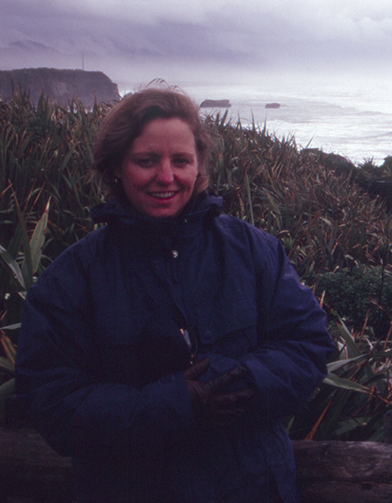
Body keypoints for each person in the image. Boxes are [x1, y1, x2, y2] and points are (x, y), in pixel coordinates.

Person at [15, 86, 335, 503]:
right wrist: (172, 405)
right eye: (146, 161)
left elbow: (309, 344)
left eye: (181, 160)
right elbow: (51, 402)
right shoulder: (71, 278)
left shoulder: (255, 251)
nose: (166, 177)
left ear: (198, 166)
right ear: (115, 168)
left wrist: (244, 382)